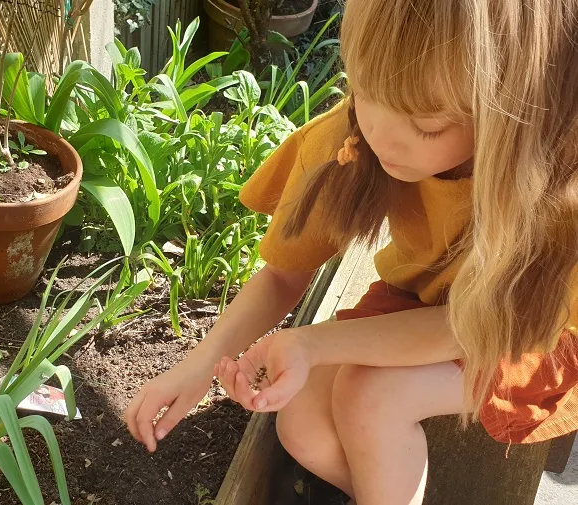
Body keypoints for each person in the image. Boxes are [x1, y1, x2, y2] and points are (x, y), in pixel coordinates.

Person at [124, 0, 578, 504]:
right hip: (426, 305)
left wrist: (312, 344)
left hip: (531, 334)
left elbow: (471, 330)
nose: (383, 139)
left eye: (426, 126)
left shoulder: (552, 196)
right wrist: (201, 362)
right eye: (362, 91)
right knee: (300, 419)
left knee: (372, 397)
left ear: (512, 110)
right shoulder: (353, 138)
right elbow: (281, 276)